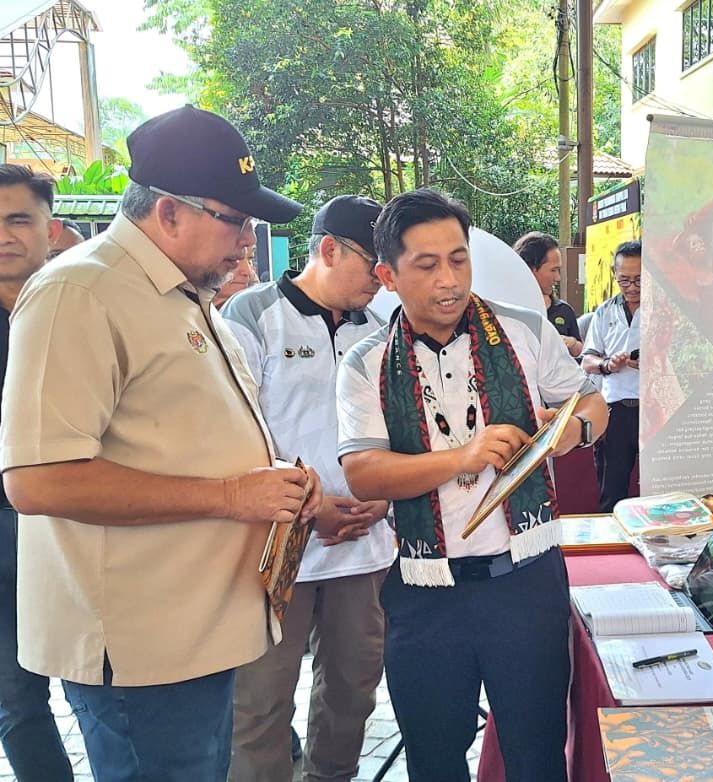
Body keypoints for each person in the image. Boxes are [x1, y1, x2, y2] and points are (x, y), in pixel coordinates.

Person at [0, 105, 324, 781]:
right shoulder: (79, 292)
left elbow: (175, 439)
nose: (247, 240)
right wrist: (234, 494)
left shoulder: (182, 293)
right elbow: (38, 481)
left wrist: (273, 481)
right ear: (169, 212)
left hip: (196, 637)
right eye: (234, 220)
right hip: (142, 654)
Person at [337, 189, 608, 782]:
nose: (449, 280)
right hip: (424, 589)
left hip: (526, 581)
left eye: (458, 260)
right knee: (434, 757)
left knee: (537, 751)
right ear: (388, 274)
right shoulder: (367, 360)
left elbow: (589, 400)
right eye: (427, 265)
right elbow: (364, 473)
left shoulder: (524, 331)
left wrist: (573, 431)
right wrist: (462, 456)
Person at [223, 195, 395, 782]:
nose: (383, 278)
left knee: (352, 692)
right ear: (328, 249)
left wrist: (387, 494)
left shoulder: (382, 329)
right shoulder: (251, 316)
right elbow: (233, 431)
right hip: (274, 552)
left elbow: (404, 426)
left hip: (362, 550)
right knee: (260, 703)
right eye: (374, 263)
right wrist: (310, 505)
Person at [0, 164, 72, 781]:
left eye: (18, 219)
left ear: (52, 229)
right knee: (16, 701)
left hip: (76, 522)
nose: (3, 235)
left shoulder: (82, 311)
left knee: (95, 685)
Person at [582, 241, 642, 513]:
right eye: (624, 280)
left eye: (639, 280)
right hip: (615, 410)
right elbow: (587, 360)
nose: (632, 287)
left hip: (655, 411)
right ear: (614, 275)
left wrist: (651, 365)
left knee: (657, 487)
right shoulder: (605, 311)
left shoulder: (665, 310)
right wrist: (608, 364)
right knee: (611, 488)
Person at [512, 231, 583, 357]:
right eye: (553, 270)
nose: (558, 278)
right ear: (531, 268)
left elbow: (581, 351)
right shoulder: (508, 312)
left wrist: (572, 343)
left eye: (558, 270)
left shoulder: (564, 310)